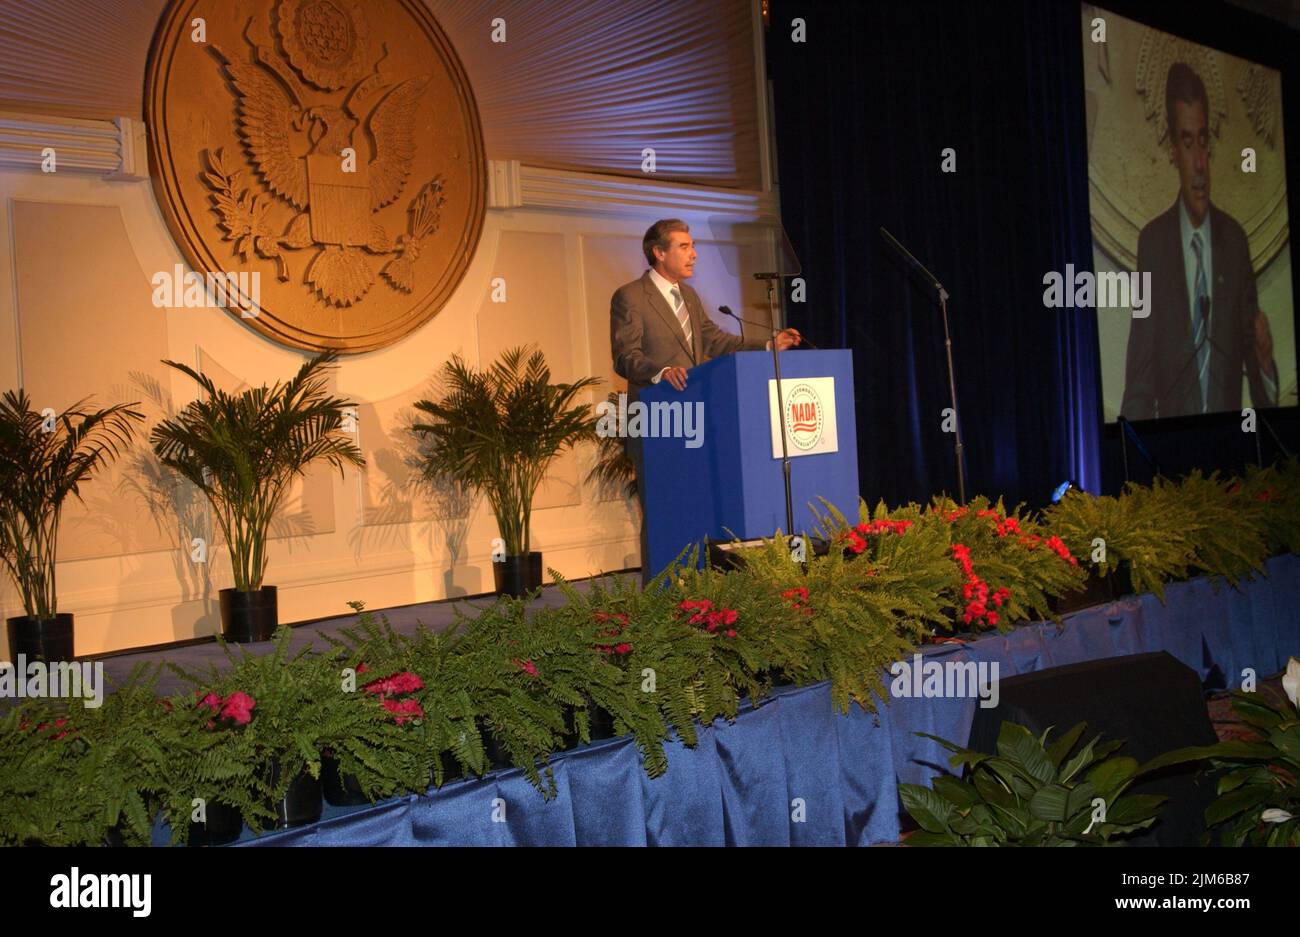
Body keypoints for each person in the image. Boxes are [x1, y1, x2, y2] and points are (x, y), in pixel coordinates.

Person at [609, 218, 801, 582]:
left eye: (692, 245)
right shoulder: (630, 296)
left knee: (697, 509)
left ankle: (698, 590)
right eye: (684, 246)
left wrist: (767, 345)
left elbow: (715, 341)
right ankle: (661, 594)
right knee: (664, 511)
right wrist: (662, 372)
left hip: (698, 420)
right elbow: (625, 357)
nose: (693, 254)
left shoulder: (690, 297)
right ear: (659, 252)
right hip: (659, 419)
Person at [1120, 62, 1278, 421]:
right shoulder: (1153, 246)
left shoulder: (1234, 243)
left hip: (1231, 460)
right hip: (1173, 461)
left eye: (1203, 142)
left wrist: (1266, 363)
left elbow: (1260, 386)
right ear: (1174, 150)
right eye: (1188, 143)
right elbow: (1140, 384)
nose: (1199, 164)